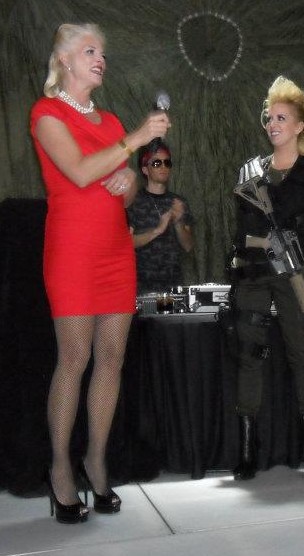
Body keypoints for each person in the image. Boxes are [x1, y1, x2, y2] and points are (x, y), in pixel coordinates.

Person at [30, 23, 170, 523]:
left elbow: (122, 191)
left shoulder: (109, 121)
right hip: (72, 251)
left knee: (111, 359)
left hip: (115, 251)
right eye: (90, 50)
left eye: (103, 53)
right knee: (74, 358)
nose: (100, 59)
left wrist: (129, 180)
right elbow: (79, 173)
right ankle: (60, 468)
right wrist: (135, 141)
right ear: (64, 59)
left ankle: (96, 460)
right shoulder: (46, 113)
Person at [229, 76, 304, 480]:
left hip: (294, 274)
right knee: (250, 356)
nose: (272, 125)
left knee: (302, 355)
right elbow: (242, 231)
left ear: (299, 126)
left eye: (281, 118)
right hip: (255, 274)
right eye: (269, 118)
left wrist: (296, 252)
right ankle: (247, 451)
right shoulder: (251, 172)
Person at [127, 138, 194, 293]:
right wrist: (157, 230)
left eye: (167, 162)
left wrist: (178, 223)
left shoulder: (178, 202)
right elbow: (126, 244)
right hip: (140, 287)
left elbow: (188, 246)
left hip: (172, 287)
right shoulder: (133, 202)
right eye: (157, 163)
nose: (163, 167)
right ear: (145, 169)